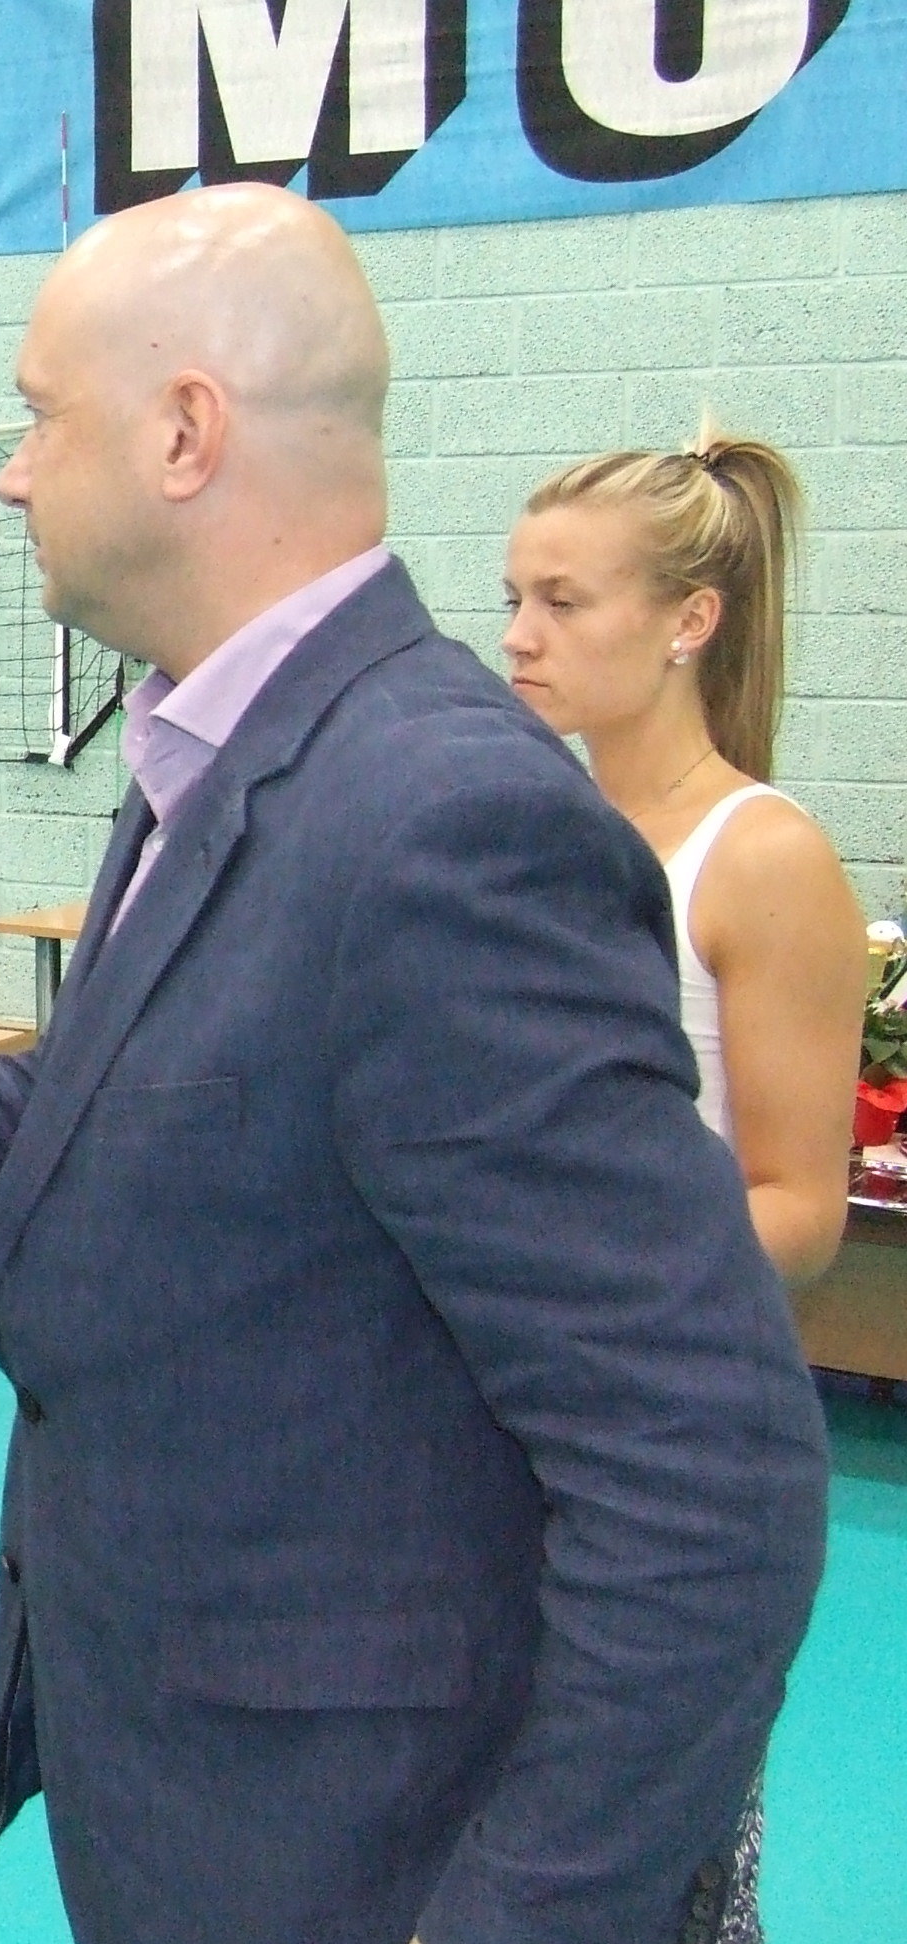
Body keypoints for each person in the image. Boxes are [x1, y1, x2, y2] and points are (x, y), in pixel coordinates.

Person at [0, 183, 830, 1944]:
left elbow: (709, 1478)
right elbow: (119, 1086)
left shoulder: (439, 818)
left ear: (183, 432)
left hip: (359, 1852)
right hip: (194, 1801)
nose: (12, 474)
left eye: (38, 417)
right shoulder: (220, 748)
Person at [503, 434, 865, 1942]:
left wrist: (580, 1289)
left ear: (688, 621)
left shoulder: (760, 859)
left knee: (658, 1878)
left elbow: (801, 1207)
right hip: (504, 1427)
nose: (519, 636)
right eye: (513, 598)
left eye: (564, 602)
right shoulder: (532, 839)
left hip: (666, 1440)